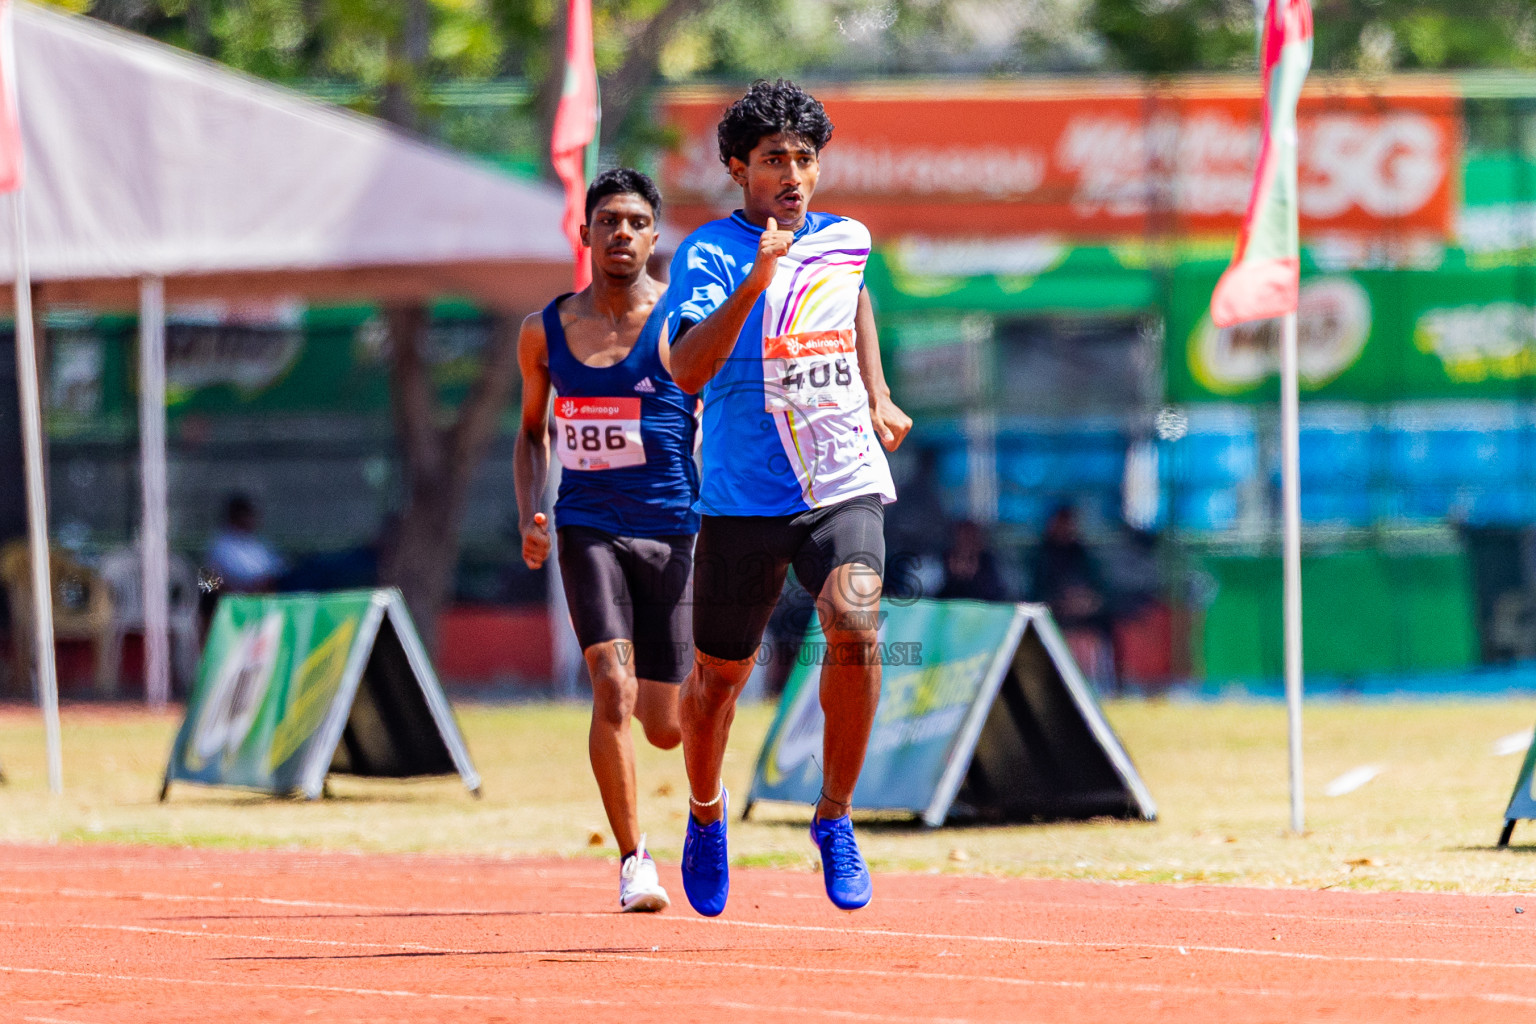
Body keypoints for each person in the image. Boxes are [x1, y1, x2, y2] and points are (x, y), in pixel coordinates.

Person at [664, 80, 912, 916]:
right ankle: (705, 813)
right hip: (742, 494)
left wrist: (876, 390)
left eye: (806, 159)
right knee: (718, 680)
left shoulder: (848, 239)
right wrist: (755, 282)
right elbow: (687, 370)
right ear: (739, 169)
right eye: (775, 160)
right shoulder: (707, 254)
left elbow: (856, 299)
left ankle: (835, 817)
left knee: (856, 624)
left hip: (841, 476)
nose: (795, 174)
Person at [514, 168, 698, 913]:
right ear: (584, 233)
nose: (621, 233)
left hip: (674, 529)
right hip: (588, 526)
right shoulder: (544, 330)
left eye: (635, 222)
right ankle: (634, 861)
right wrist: (534, 511)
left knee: (665, 726)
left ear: (655, 237)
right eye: (607, 221)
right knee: (611, 687)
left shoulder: (683, 323)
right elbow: (532, 435)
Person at [205, 493, 284, 594]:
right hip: (240, 596)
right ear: (236, 516)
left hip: (269, 591)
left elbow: (277, 569)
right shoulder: (219, 545)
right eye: (247, 515)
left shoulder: (259, 543)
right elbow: (209, 582)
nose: (251, 519)